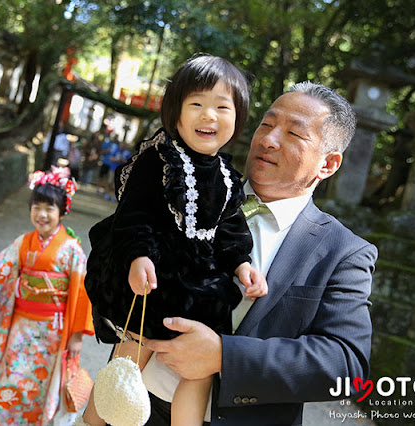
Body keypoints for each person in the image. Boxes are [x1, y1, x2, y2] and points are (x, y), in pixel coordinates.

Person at [140, 82, 378, 425]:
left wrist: (224, 356)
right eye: (267, 124)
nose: (268, 139)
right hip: (136, 402)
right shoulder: (191, 188)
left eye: (294, 133)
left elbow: (345, 362)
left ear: (327, 164)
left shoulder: (343, 252)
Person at [80, 55, 267, 425]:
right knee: (128, 362)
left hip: (202, 289)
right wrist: (139, 257)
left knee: (198, 374)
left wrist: (243, 265)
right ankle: (92, 421)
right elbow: (134, 214)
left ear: (238, 119)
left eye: (221, 107)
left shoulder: (228, 177)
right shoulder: (160, 159)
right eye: (196, 104)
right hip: (155, 279)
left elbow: (230, 230)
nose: (208, 115)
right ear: (175, 112)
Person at [0, 167, 94, 424]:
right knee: (11, 377)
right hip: (20, 328)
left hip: (53, 332)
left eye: (49, 208)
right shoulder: (23, 242)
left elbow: (81, 293)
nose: (42, 214)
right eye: (36, 207)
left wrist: (77, 335)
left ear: (62, 211)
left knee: (40, 385)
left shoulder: (71, 249)